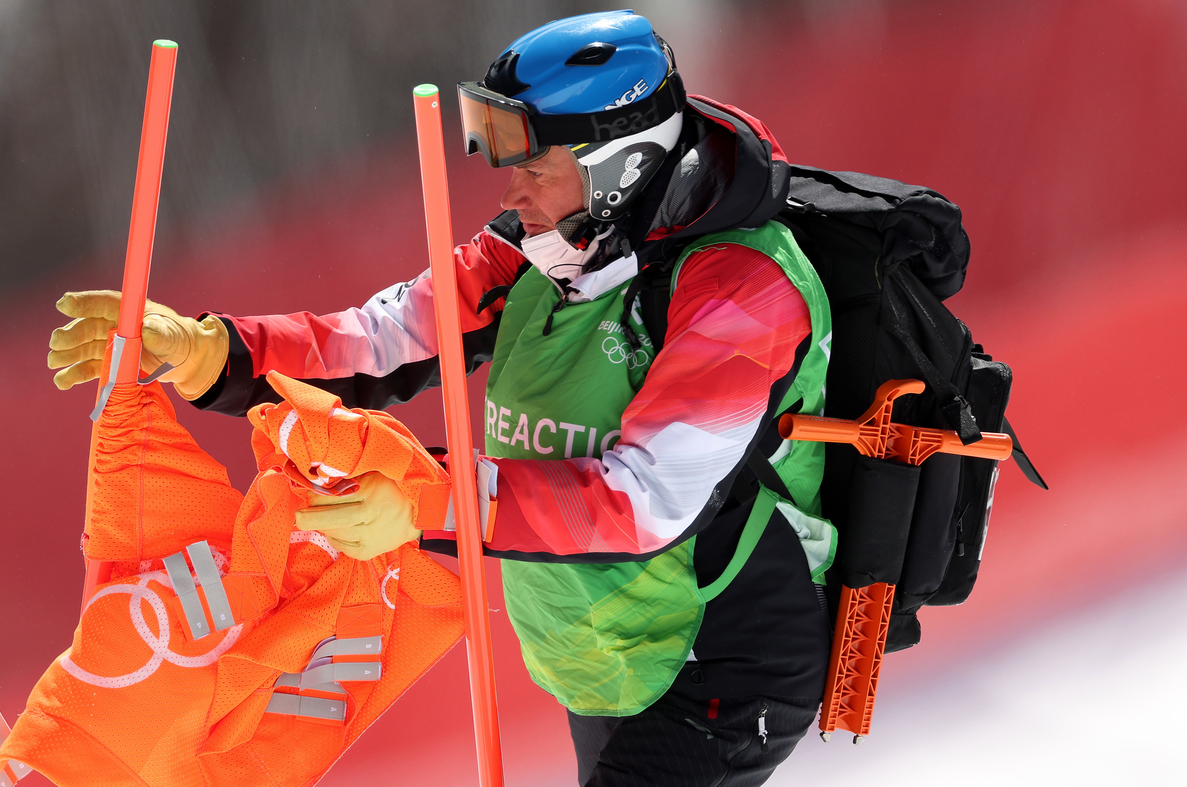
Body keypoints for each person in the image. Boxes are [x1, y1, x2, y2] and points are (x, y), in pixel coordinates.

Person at [48, 11, 834, 786]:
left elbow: (641, 500)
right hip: (608, 654)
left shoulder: (740, 291)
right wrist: (217, 350)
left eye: (536, 164)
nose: (512, 189)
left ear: (620, 165)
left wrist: (428, 498)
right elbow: (386, 339)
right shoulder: (549, 244)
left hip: (719, 654)